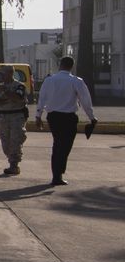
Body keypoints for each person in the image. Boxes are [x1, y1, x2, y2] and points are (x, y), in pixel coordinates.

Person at [34, 55, 97, 187]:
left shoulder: (49, 80)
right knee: (65, 146)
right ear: (71, 66)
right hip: (68, 118)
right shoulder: (76, 81)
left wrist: (38, 115)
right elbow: (85, 100)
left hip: (53, 117)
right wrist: (91, 117)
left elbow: (42, 97)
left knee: (57, 144)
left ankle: (56, 174)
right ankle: (58, 175)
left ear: (60, 65)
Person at [0, 69, 31, 176]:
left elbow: (18, 97)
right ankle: (11, 159)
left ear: (10, 74)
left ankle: (14, 165)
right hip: (3, 117)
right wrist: (6, 99)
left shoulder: (19, 86)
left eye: (3, 74)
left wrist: (6, 92)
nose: (2, 76)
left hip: (16, 117)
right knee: (5, 141)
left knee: (15, 140)